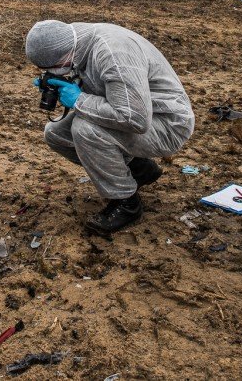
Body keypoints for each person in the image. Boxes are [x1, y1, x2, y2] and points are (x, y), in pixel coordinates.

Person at [25, 20, 195, 235]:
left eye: (51, 69)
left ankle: (126, 203)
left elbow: (134, 118)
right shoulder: (74, 40)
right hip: (136, 113)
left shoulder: (113, 55)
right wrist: (68, 84)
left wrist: (78, 100)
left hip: (166, 123)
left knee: (85, 130)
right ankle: (139, 170)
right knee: (55, 133)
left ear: (64, 56)